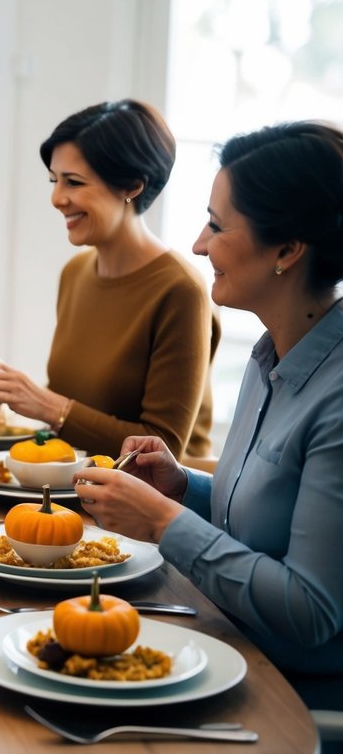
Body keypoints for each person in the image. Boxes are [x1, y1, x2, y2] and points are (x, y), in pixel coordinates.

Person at [74, 121, 343, 711]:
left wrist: (164, 521)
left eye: (218, 226)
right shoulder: (270, 352)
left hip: (288, 696)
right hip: (223, 640)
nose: (198, 244)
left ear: (288, 250)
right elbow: (265, 520)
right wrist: (184, 487)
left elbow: (311, 610)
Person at [0, 100, 219, 460]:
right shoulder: (76, 272)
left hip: (152, 504)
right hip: (76, 486)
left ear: (133, 186)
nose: (57, 198)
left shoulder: (180, 290)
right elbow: (77, 405)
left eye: (73, 182)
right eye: (54, 180)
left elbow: (163, 447)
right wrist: (13, 393)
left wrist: (49, 407)